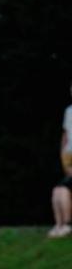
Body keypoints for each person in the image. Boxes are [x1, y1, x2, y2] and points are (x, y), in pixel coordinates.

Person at [52, 81, 72, 237]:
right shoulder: (69, 111)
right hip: (69, 159)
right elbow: (65, 138)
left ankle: (66, 224)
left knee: (64, 190)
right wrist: (65, 161)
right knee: (58, 190)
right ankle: (59, 225)